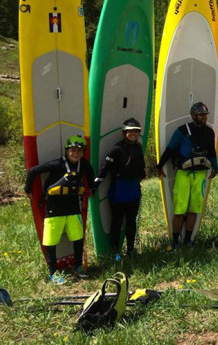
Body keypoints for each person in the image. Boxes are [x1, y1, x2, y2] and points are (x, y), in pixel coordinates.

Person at [25, 135, 96, 284]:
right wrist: (28, 189)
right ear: (67, 150)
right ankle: (53, 272)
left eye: (79, 151)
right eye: (72, 150)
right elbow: (32, 171)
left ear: (83, 152)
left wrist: (92, 188)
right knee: (51, 241)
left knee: (78, 238)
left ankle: (78, 266)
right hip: (54, 210)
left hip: (73, 208)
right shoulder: (57, 164)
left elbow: (90, 175)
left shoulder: (83, 164)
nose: (76, 153)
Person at [157, 102, 218, 250]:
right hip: (183, 174)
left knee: (194, 209)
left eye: (205, 115)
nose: (204, 118)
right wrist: (159, 166)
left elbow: (211, 152)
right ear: (193, 116)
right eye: (201, 115)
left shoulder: (209, 132)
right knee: (179, 209)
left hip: (200, 174)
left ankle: (189, 240)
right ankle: (175, 241)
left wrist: (216, 167)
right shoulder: (182, 131)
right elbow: (170, 149)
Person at [95, 118, 146, 259]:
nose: (133, 134)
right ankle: (115, 252)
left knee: (131, 221)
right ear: (124, 133)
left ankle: (131, 249)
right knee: (117, 221)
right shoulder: (116, 150)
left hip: (133, 189)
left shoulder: (139, 147)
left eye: (136, 132)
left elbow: (141, 167)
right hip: (119, 189)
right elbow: (104, 170)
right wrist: (94, 186)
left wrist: (141, 176)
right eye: (130, 132)